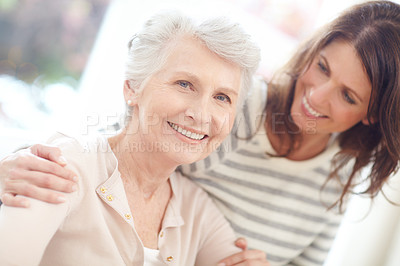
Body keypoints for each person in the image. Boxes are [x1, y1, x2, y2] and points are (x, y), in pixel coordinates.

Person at [1, 1, 400, 265]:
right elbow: (126, 143)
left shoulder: (333, 178)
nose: (316, 94)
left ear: (371, 115)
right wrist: (19, 163)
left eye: (348, 96)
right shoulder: (244, 107)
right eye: (323, 67)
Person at [0, 11, 268, 266]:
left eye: (222, 97)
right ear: (133, 87)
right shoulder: (64, 166)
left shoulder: (197, 210)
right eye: (184, 84)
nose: (201, 115)